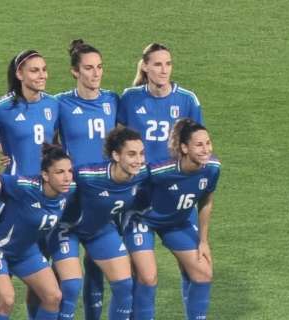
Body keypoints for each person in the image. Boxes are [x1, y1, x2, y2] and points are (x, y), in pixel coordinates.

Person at [117, 42, 204, 314]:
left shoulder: (187, 100)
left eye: (168, 64)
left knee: (193, 269)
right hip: (140, 198)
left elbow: (199, 146)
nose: (163, 70)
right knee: (143, 275)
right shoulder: (130, 98)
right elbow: (118, 144)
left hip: (178, 197)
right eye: (157, 64)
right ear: (145, 66)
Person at [122, 118, 220, 319]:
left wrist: (203, 241)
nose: (206, 149)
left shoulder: (212, 168)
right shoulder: (160, 171)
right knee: (148, 278)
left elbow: (206, 202)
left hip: (177, 222)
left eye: (208, 143)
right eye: (199, 144)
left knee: (203, 273)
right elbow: (125, 181)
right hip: (142, 220)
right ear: (184, 148)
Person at [49, 127, 147, 320]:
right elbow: (54, 184)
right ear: (116, 155)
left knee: (124, 285)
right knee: (71, 285)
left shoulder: (143, 174)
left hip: (100, 229)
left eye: (142, 153)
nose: (139, 160)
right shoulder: (88, 175)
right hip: (68, 229)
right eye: (132, 154)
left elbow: (170, 171)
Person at [55, 39, 120, 320]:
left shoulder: (112, 101)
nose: (96, 74)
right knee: (67, 283)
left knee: (97, 268)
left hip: (103, 198)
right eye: (89, 68)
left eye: (99, 67)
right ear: (75, 72)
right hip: (70, 199)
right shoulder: (59, 104)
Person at [0, 144, 74, 320]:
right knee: (6, 300)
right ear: (45, 175)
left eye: (69, 171)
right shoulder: (24, 186)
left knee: (53, 297)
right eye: (60, 172)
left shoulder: (66, 192)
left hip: (25, 251)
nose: (67, 177)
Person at [0, 49, 59, 177]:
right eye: (34, 71)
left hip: (46, 184)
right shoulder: (1, 108)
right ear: (19, 74)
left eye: (44, 70)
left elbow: (53, 141)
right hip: (15, 185)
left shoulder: (53, 104)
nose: (42, 75)